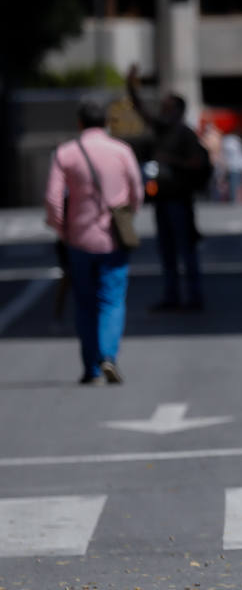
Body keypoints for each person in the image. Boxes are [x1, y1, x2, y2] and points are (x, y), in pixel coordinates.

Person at [44, 100, 143, 384]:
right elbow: (136, 191)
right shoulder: (122, 151)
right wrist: (128, 217)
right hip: (114, 235)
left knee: (85, 303)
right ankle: (108, 355)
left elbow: (52, 199)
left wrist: (63, 230)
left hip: (78, 238)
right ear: (106, 124)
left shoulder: (66, 153)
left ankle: (92, 368)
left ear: (80, 123)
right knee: (112, 299)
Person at [125, 64, 211, 312]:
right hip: (162, 198)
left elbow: (198, 162)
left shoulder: (184, 134)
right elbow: (141, 110)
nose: (162, 110)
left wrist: (171, 161)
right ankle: (172, 295)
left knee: (185, 249)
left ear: (178, 111)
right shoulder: (162, 130)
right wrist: (131, 86)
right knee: (167, 251)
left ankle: (194, 296)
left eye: (167, 106)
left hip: (179, 200)